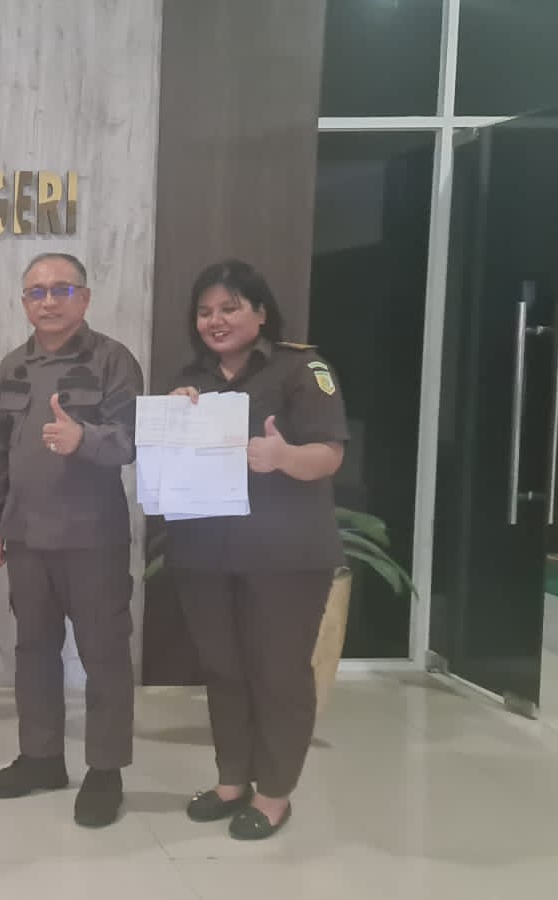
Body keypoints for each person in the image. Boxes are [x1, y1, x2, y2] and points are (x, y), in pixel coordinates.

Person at [164, 260, 348, 841]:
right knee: (223, 669)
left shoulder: (302, 369)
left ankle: (274, 794)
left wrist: (283, 457)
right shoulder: (191, 378)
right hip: (206, 554)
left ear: (261, 312)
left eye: (230, 307)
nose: (215, 320)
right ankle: (231, 781)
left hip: (284, 557)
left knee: (278, 673)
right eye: (205, 311)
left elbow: (329, 454)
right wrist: (174, 418)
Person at [0, 252, 143, 828]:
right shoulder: (12, 366)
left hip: (92, 538)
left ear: (84, 298)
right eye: (36, 292)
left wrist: (84, 439)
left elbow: (132, 440)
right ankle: (42, 757)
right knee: (34, 652)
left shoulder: (113, 360)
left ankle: (105, 770)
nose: (47, 301)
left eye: (61, 290)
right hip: (25, 536)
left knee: (104, 656)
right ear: (24, 302)